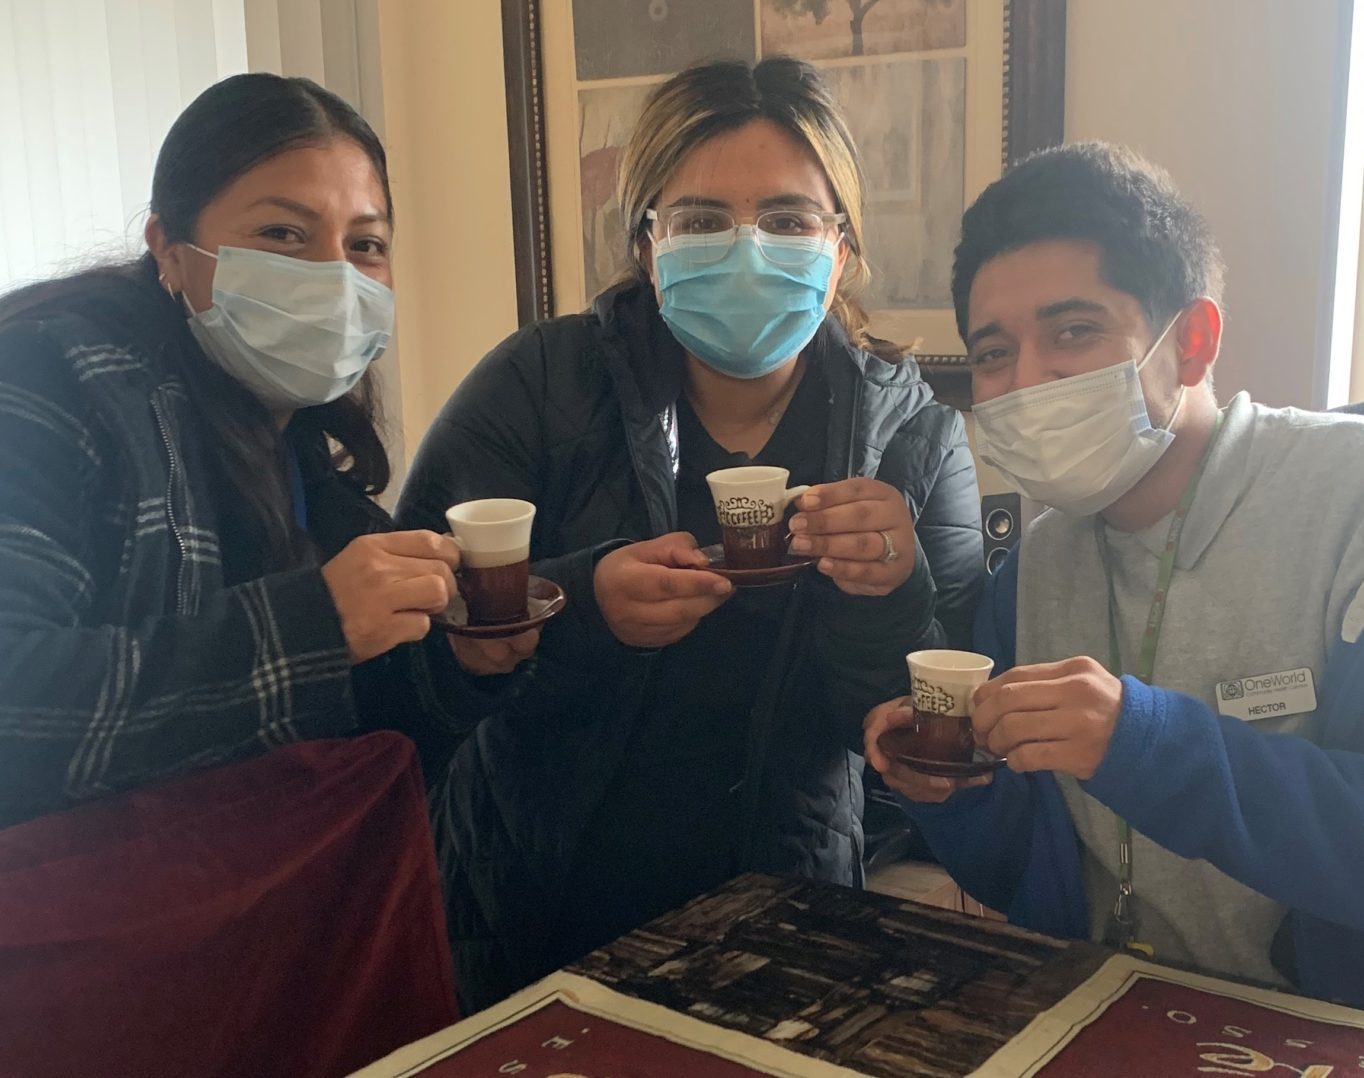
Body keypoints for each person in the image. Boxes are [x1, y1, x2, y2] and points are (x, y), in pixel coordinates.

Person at [396, 57, 984, 1010]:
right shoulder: (537, 385)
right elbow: (411, 646)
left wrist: (891, 591)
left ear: (841, 248)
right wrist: (583, 607)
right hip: (533, 912)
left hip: (789, 918)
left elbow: (934, 722)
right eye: (704, 219)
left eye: (790, 219)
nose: (748, 248)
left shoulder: (912, 432)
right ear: (647, 241)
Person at [865, 142, 1364, 1005]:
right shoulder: (1033, 569)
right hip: (1102, 1018)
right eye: (992, 354)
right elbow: (1031, 873)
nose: (1029, 381)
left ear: (1194, 341)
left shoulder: (1343, 502)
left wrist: (1145, 742)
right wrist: (950, 790)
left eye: (1074, 332)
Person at [0, 73, 523, 831]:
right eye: (282, 235)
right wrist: (315, 626)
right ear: (168, 251)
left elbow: (339, 742)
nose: (333, 278)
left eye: (365, 245)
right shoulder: (48, 382)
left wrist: (458, 665)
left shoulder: (305, 455)